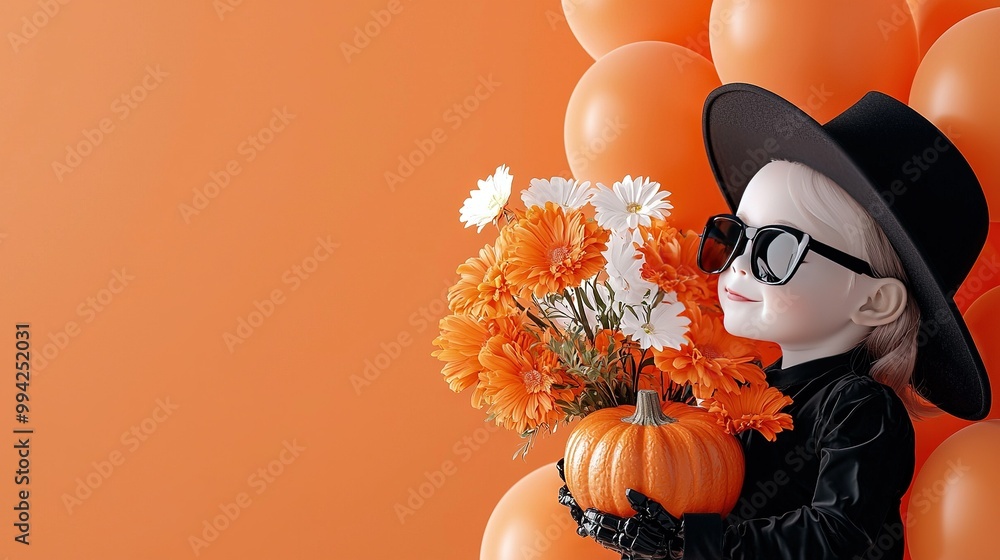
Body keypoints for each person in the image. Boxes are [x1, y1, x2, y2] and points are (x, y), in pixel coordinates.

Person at [556, 82, 992, 560]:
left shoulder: (860, 408)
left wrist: (691, 543)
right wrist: (619, 491)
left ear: (875, 302)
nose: (738, 263)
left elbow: (835, 533)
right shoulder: (740, 392)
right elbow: (701, 489)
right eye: (735, 235)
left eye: (777, 248)